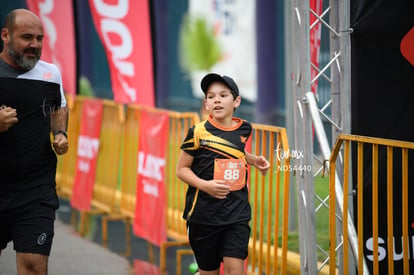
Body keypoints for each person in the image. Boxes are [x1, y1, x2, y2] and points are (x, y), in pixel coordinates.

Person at [176, 73, 270, 274]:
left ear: (236, 101)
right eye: (211, 96)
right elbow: (181, 169)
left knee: (235, 270)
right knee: (209, 272)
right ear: (206, 104)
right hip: (204, 217)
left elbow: (234, 150)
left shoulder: (244, 129)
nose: (216, 100)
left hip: (236, 214)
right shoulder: (198, 132)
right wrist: (205, 185)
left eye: (223, 95)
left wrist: (253, 160)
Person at [0, 9, 68, 275]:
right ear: (5, 36)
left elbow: (58, 108)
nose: (35, 45)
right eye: (27, 37)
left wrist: (60, 134)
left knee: (33, 266)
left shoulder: (50, 74)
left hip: (35, 192)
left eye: (39, 39)